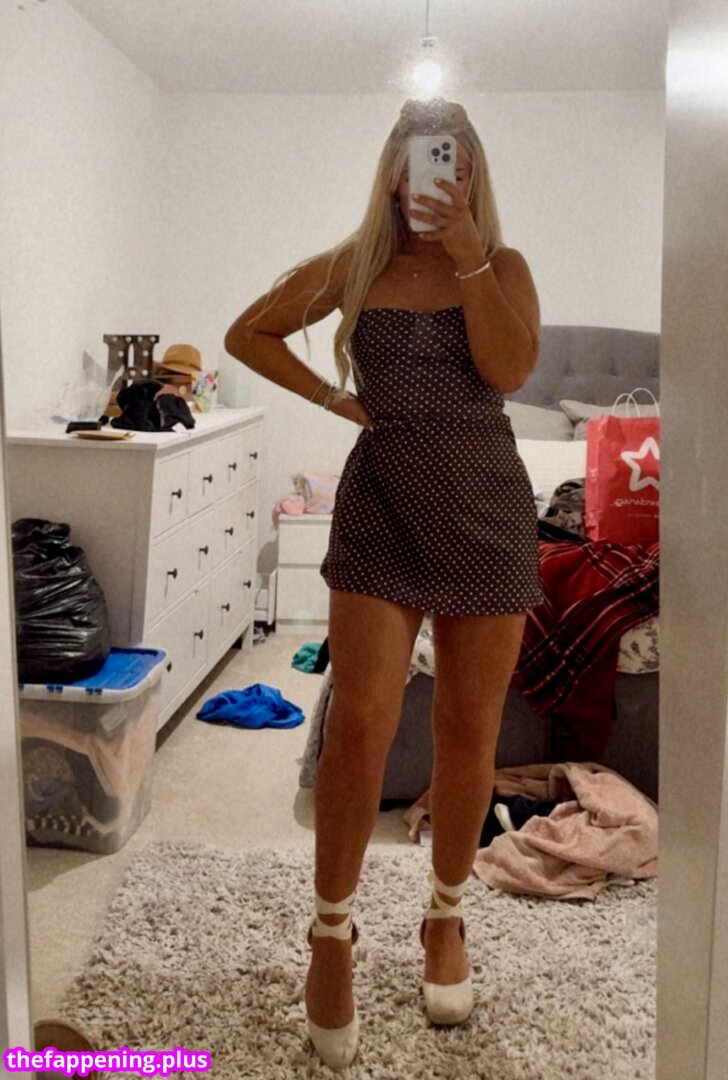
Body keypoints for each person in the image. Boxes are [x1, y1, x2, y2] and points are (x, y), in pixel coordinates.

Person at [224, 97, 542, 1070]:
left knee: (467, 728)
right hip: (382, 504)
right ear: (394, 175)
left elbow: (507, 368)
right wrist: (335, 399)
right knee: (360, 722)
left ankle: (444, 916)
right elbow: (248, 333)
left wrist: (469, 255)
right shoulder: (354, 265)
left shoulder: (504, 267)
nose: (436, 177)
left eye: (453, 163)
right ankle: (331, 931)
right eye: (419, 161)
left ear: (471, 175)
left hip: (484, 506)